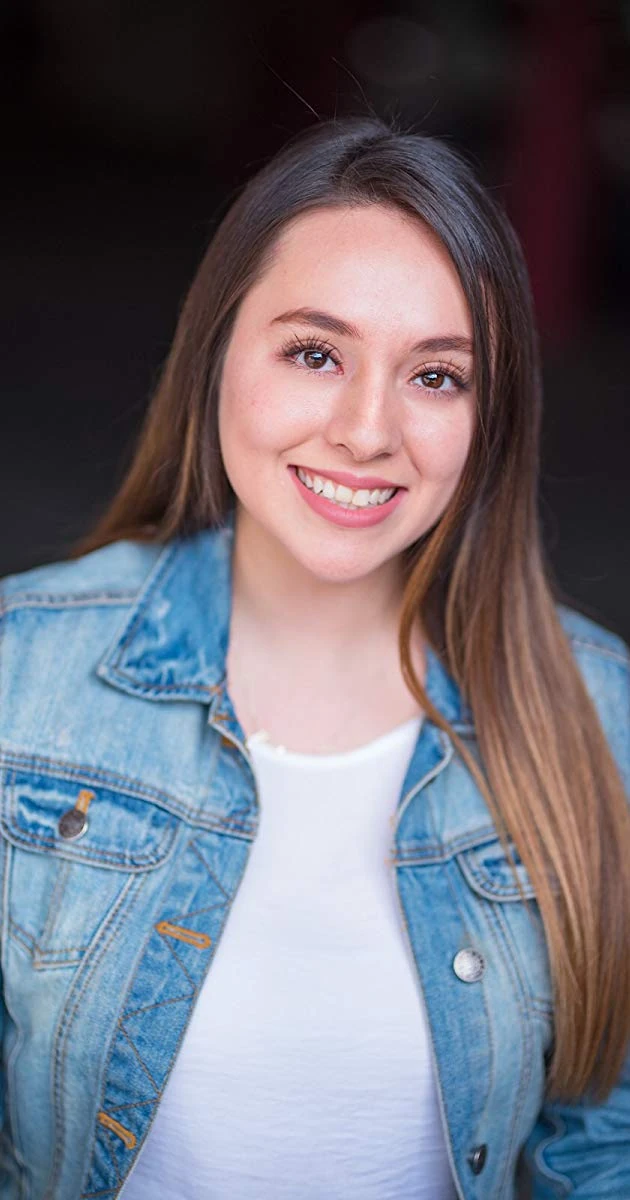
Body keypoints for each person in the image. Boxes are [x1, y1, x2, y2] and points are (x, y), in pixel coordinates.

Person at [0, 115, 628, 1200]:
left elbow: (607, 1150)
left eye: (438, 377)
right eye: (315, 353)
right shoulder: (21, 677)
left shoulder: (600, 714)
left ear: (491, 416)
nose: (367, 430)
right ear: (217, 353)